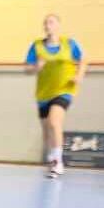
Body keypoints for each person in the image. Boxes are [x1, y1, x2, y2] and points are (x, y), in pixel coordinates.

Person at [24, 15, 84, 179]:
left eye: (51, 22)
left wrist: (79, 75)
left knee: (54, 121)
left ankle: (58, 162)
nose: (47, 25)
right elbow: (27, 69)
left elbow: (83, 60)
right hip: (44, 93)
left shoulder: (69, 43)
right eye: (45, 22)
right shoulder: (37, 46)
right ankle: (52, 157)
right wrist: (36, 67)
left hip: (64, 90)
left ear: (58, 25)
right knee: (46, 130)